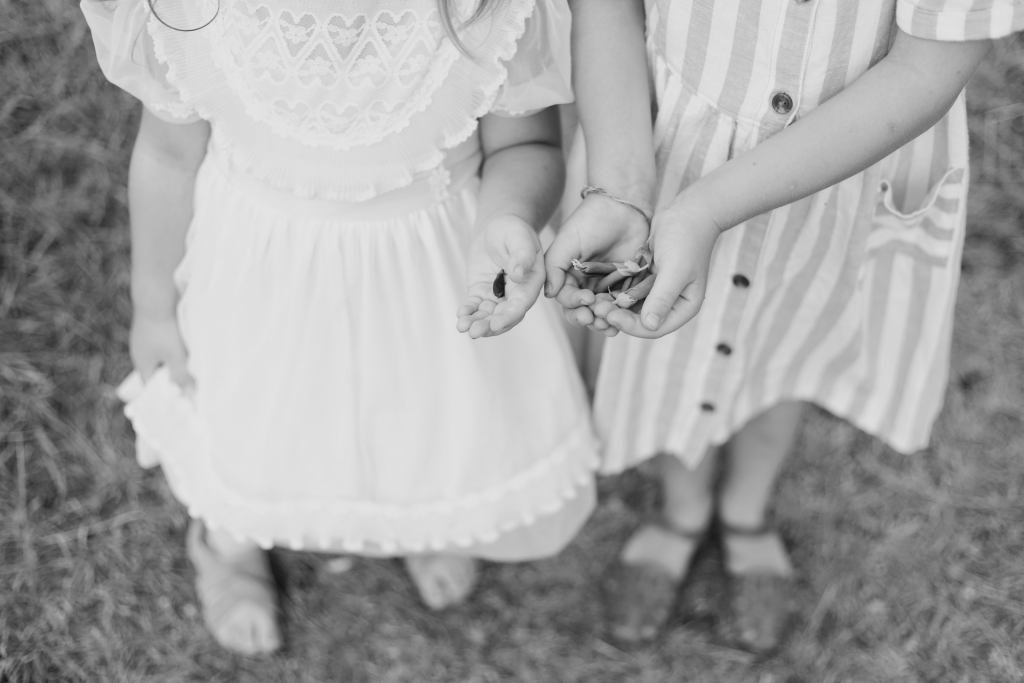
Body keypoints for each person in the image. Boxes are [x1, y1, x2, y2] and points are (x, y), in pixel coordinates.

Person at [81, 0, 599, 656]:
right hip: (261, 279)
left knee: (423, 418)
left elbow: (525, 143)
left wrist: (510, 215)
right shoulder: (191, 12)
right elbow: (167, 154)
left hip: (433, 276)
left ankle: (417, 518)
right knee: (258, 421)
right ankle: (231, 541)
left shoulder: (483, 10)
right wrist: (153, 304)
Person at [547, 0, 1023, 650]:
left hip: (839, 162)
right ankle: (682, 508)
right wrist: (624, 189)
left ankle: (746, 506)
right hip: (665, 148)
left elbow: (924, 71)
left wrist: (710, 210)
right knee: (665, 354)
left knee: (789, 339)